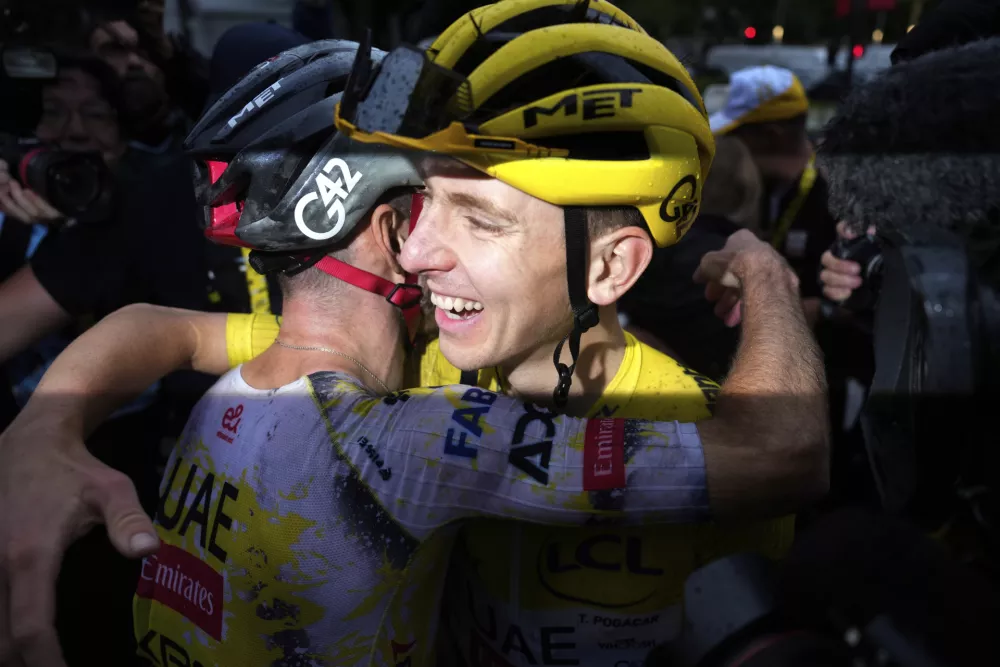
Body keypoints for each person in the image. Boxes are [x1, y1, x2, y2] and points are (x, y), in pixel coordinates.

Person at [0, 7, 827, 667]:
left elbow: (788, 462)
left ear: (609, 271)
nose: (420, 252)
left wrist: (767, 276)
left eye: (481, 220)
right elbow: (165, 329)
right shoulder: (407, 360)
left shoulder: (697, 420)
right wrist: (42, 429)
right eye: (421, 202)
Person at [710, 66, 838, 305]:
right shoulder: (756, 188)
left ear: (771, 135)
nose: (727, 147)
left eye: (735, 136)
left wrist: (820, 313)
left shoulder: (837, 199)